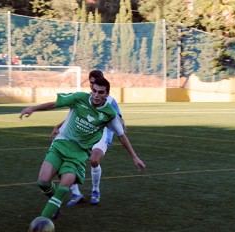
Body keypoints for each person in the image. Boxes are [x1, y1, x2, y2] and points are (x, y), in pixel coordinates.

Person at [20, 77, 145, 220]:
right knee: (42, 182)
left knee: (63, 187)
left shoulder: (109, 114)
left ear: (107, 94)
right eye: (94, 91)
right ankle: (54, 204)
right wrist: (33, 108)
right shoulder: (80, 98)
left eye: (101, 92)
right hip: (61, 144)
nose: (96, 95)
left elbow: (122, 136)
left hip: (78, 154)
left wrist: (134, 157)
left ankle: (43, 220)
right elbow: (54, 105)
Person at [51, 70, 123, 206]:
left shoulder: (110, 101)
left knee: (94, 160)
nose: (92, 85)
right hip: (83, 134)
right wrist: (59, 126)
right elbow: (75, 115)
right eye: (90, 83)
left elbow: (117, 118)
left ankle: (96, 190)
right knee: (69, 158)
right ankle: (76, 193)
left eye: (94, 82)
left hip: (102, 134)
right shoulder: (86, 97)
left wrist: (122, 124)